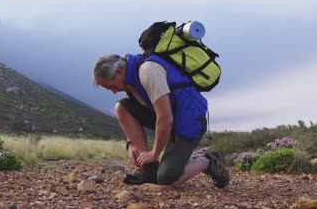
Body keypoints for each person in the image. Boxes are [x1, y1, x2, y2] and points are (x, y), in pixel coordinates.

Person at [92, 53, 230, 188]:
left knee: (167, 179)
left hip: (190, 120)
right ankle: (149, 170)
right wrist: (131, 143)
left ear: (119, 71)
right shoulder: (129, 80)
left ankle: (209, 160)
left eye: (112, 86)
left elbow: (165, 118)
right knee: (121, 107)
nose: (114, 91)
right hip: (171, 117)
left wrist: (154, 153)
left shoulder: (148, 71)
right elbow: (133, 113)